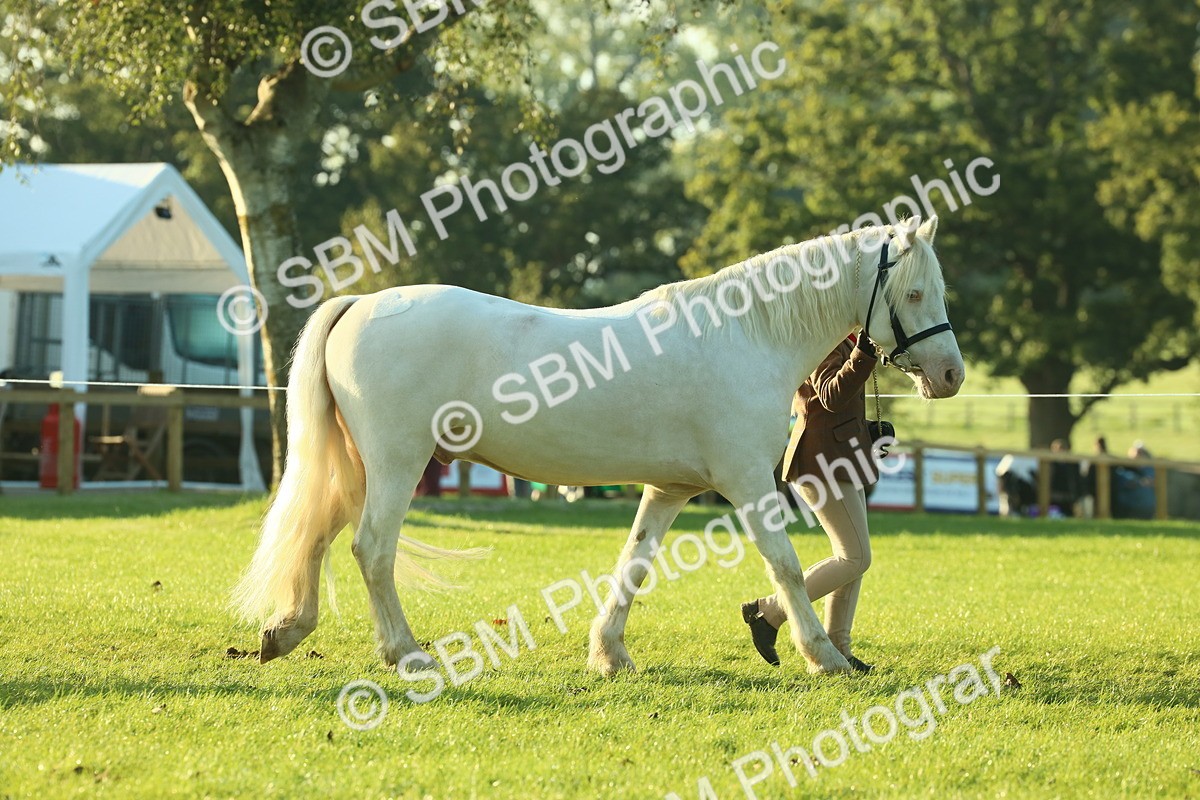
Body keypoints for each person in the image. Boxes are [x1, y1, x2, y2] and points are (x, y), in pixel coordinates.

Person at [740, 333, 879, 673]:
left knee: (853, 560)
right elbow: (830, 396)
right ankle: (770, 611)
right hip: (821, 461)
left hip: (840, 458)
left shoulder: (847, 339)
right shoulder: (828, 340)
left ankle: (838, 648)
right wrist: (863, 355)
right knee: (855, 557)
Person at [1049, 439, 1082, 517]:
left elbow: (1076, 481)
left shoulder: (1073, 465)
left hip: (1068, 497)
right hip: (1053, 497)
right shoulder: (1050, 464)